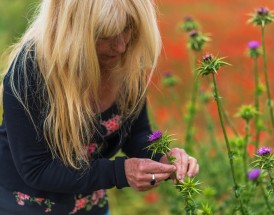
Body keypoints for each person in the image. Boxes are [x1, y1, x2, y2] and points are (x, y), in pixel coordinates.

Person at [0, 0, 199, 214]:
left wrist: (163, 157)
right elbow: (37, 168)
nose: (121, 45)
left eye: (128, 27)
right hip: (25, 207)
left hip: (92, 205)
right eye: (106, 34)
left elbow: (136, 134)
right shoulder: (30, 71)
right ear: (72, 29)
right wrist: (120, 172)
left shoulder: (126, 61)